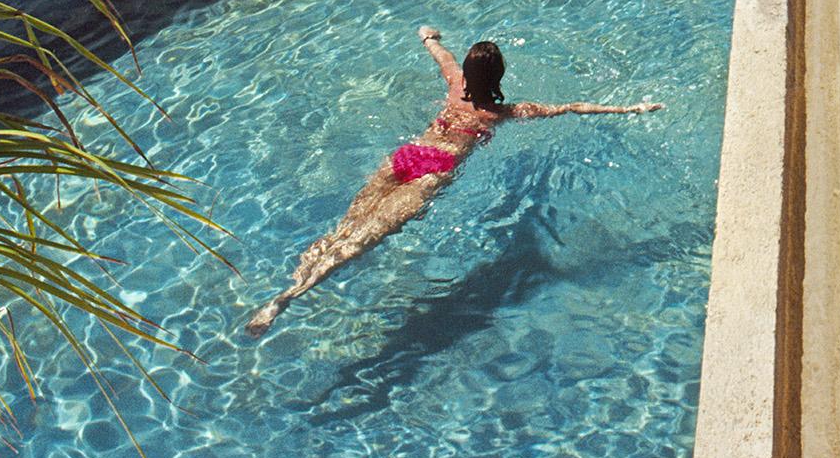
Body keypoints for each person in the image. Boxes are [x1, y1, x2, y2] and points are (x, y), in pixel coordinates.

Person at [245, 27, 661, 334]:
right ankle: (286, 301)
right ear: (497, 79)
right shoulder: (502, 112)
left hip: (406, 156)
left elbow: (439, 54)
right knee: (364, 239)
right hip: (433, 170)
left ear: (466, 71)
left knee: (347, 226)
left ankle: (291, 284)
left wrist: (428, 37)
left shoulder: (453, 85)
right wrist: (628, 109)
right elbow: (571, 107)